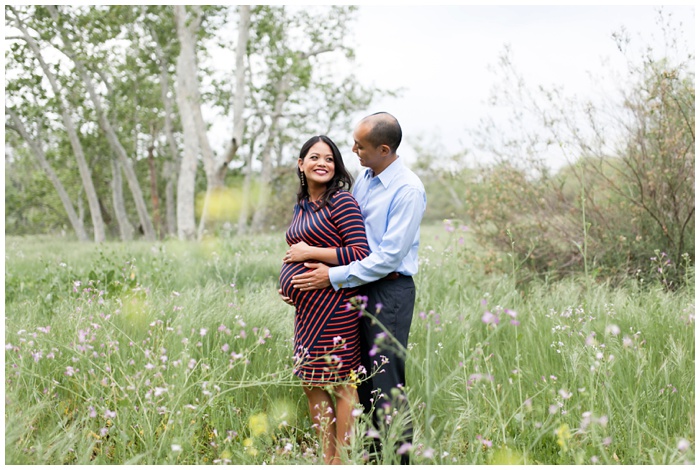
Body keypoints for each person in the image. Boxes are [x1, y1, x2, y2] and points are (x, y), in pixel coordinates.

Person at [287, 112, 426, 464]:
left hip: (389, 291)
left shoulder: (407, 189)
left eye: (360, 146)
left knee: (387, 383)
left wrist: (331, 276)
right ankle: (370, 457)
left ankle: (398, 460)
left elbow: (388, 256)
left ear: (383, 148)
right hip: (355, 291)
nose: (353, 150)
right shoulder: (365, 178)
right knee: (362, 381)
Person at [278, 135, 370, 465]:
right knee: (310, 380)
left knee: (342, 383)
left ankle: (342, 458)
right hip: (307, 310)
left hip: (337, 304)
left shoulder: (341, 202)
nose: (322, 163)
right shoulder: (301, 206)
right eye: (314, 157)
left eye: (329, 159)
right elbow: (293, 252)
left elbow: (360, 252)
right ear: (301, 164)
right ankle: (326, 453)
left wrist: (311, 252)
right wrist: (286, 282)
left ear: (337, 166)